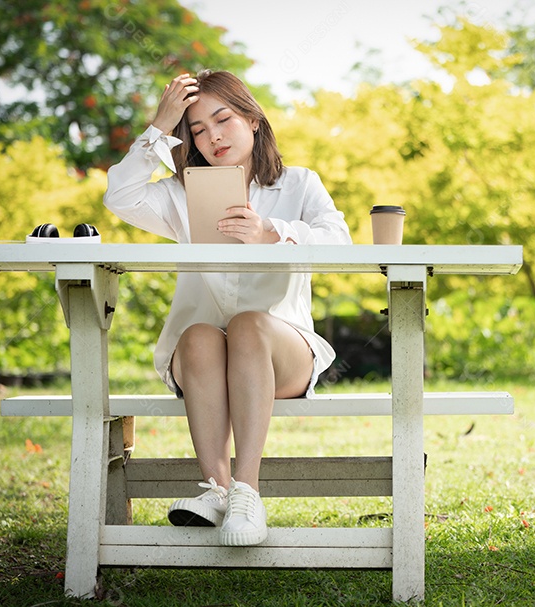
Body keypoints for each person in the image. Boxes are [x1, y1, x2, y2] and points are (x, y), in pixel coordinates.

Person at [103, 70, 351, 546]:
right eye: (196, 128)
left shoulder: (298, 185)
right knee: (196, 333)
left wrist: (271, 232)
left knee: (248, 325)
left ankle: (247, 493)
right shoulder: (181, 194)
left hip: (284, 357)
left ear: (253, 120)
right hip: (204, 364)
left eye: (223, 119)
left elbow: (340, 241)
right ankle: (217, 491)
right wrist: (160, 125)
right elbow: (120, 195)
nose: (212, 135)